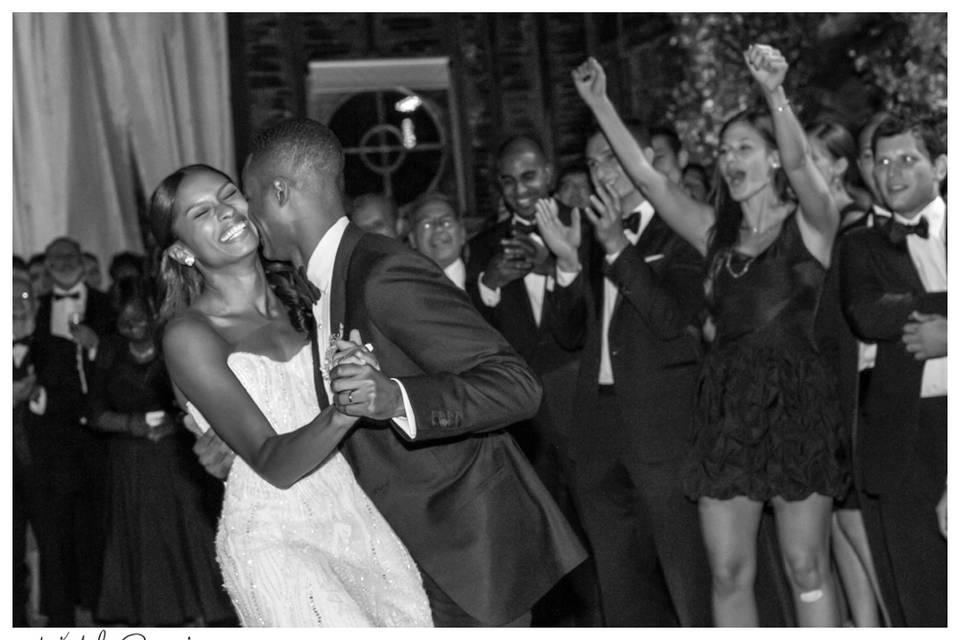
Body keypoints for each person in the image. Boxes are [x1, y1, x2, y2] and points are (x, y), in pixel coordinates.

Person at [232, 118, 586, 627]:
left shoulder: (382, 271)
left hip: (464, 559)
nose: (248, 214)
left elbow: (516, 385)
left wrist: (397, 399)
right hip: (406, 558)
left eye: (252, 197)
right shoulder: (329, 281)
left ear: (281, 192)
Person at [574, 46, 847, 626]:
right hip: (727, 412)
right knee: (727, 571)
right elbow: (648, 178)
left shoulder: (812, 222)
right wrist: (600, 105)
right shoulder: (711, 233)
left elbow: (804, 167)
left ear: (773, 158)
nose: (729, 160)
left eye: (744, 148)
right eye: (723, 151)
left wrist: (775, 93)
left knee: (805, 566)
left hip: (797, 406)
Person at [150, 163, 432, 627]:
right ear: (181, 252)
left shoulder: (310, 295)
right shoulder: (190, 335)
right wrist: (345, 409)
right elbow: (271, 460)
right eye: (202, 212)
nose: (225, 213)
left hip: (363, 520)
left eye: (229, 195)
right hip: (276, 535)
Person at [534, 119, 712, 626]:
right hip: (598, 427)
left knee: (687, 577)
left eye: (611, 157)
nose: (601, 172)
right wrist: (567, 264)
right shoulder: (589, 232)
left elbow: (672, 321)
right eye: (592, 164)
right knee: (621, 583)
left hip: (665, 423)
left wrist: (618, 247)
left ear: (648, 158)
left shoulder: (686, 228)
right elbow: (567, 335)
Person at [465, 133, 596, 626]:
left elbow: (595, 318)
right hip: (524, 418)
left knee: (600, 530)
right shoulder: (482, 247)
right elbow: (467, 333)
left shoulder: (586, 226)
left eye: (529, 176)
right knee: (540, 538)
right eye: (508, 180)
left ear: (550, 172)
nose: (519, 189)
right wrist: (491, 283)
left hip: (585, 402)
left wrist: (562, 263)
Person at [840, 113, 947, 627]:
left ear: (941, 165)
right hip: (900, 435)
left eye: (908, 159)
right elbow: (867, 313)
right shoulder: (859, 245)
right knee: (920, 598)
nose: (893, 171)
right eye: (883, 161)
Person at [86, 277, 235, 626]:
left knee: (192, 532)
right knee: (144, 543)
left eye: (138, 319)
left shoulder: (174, 341)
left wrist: (174, 422)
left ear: (153, 314)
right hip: (132, 462)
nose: (132, 328)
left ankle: (211, 613)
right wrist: (132, 424)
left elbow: (201, 395)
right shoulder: (110, 350)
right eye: (124, 322)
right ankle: (160, 615)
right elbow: (94, 412)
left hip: (176, 454)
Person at [807, 118, 886, 627]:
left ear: (837, 166)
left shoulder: (860, 225)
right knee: (837, 527)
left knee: (866, 535)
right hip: (822, 395)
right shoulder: (810, 225)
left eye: (811, 158)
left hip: (859, 393)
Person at [28, 236, 115, 626]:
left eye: (69, 256)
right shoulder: (36, 308)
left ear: (82, 260)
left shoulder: (104, 302)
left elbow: (124, 352)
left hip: (100, 432)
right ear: (46, 265)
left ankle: (104, 609)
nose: (62, 263)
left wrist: (96, 345)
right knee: (56, 529)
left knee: (98, 525)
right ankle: (61, 614)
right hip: (52, 437)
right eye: (55, 258)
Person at [407, 191, 468, 289]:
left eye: (447, 222)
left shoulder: (486, 281)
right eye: (427, 224)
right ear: (413, 239)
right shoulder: (403, 289)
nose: (438, 228)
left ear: (462, 234)